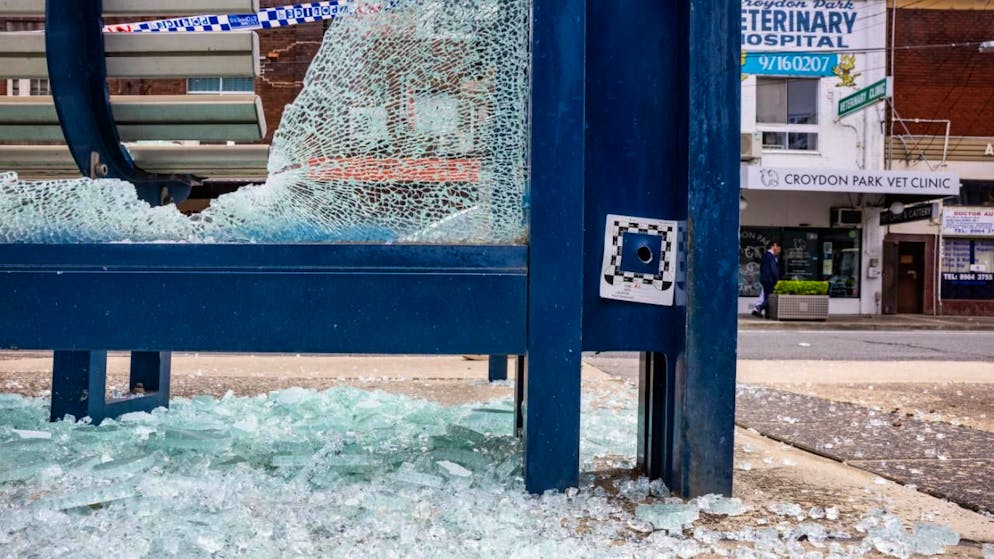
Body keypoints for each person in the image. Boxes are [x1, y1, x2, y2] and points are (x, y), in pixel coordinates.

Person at [752, 241, 781, 318]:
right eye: (778, 247)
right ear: (774, 245)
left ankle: (767, 314)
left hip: (764, 279)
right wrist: (777, 279)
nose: (779, 250)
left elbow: (762, 268)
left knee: (766, 296)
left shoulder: (765, 256)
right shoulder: (771, 256)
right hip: (770, 280)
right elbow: (773, 269)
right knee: (771, 296)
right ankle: (760, 307)